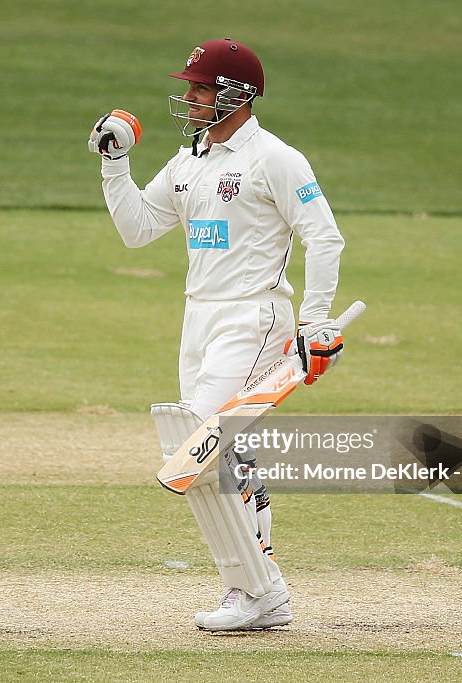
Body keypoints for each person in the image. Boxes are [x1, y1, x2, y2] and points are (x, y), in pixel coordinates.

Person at [88, 39, 345, 631]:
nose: (190, 98)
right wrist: (114, 166)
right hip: (199, 318)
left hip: (254, 317)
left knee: (195, 445)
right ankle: (254, 590)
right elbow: (138, 229)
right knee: (222, 453)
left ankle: (260, 589)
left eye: (201, 88)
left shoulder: (276, 159)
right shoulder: (190, 160)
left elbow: (324, 236)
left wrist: (315, 319)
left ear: (236, 94)